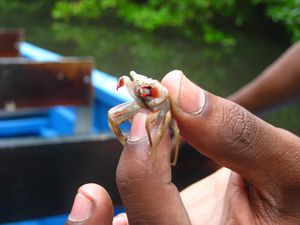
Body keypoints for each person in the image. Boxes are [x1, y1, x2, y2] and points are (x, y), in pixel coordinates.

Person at [66, 43, 300, 225]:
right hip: (157, 112)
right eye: (136, 85)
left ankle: (171, 153)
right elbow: (132, 89)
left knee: (157, 129)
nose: (139, 88)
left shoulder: (159, 95)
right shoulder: (139, 90)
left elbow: (165, 109)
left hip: (166, 111)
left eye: (143, 86)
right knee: (112, 115)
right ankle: (130, 142)